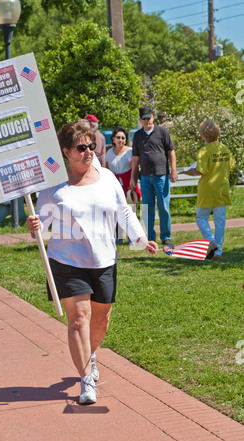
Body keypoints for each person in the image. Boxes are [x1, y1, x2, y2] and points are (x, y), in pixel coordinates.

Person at [26, 121, 158, 405]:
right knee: (78, 319)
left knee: (101, 319)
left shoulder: (108, 178)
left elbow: (124, 212)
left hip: (103, 259)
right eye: (81, 147)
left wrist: (140, 238)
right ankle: (86, 379)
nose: (88, 152)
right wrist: (35, 223)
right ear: (66, 151)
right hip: (67, 261)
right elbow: (42, 222)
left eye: (90, 146)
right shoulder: (54, 187)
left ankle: (91, 353)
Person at [130, 106, 178, 245]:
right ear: (140, 120)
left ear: (153, 118)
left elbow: (171, 151)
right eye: (144, 119)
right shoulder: (137, 135)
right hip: (144, 177)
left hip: (161, 175)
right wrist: (133, 178)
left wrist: (173, 170)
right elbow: (135, 159)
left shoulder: (162, 131)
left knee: (163, 207)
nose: (147, 121)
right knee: (147, 208)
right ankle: (150, 237)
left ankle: (165, 236)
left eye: (149, 118)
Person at [194, 120, 235, 260]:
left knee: (201, 217)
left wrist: (188, 172)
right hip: (222, 189)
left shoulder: (203, 151)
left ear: (202, 134)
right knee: (220, 221)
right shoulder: (225, 149)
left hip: (207, 190)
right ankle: (218, 251)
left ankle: (211, 241)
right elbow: (231, 166)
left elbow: (201, 170)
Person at [106, 126, 141, 202]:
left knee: (131, 208)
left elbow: (135, 168)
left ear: (125, 140)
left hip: (128, 184)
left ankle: (144, 214)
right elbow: (107, 170)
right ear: (113, 139)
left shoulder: (129, 151)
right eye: (118, 137)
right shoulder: (109, 153)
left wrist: (133, 181)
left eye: (123, 138)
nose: (120, 140)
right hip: (114, 185)